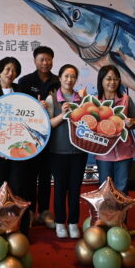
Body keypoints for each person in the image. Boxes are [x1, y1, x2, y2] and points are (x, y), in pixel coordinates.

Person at [0, 56, 33, 236]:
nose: (10, 73)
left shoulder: (22, 91)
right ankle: (1, 228)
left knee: (19, 188)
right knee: (0, 190)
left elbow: (29, 118)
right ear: (0, 71)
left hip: (19, 150)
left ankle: (21, 230)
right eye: (7, 69)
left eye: (14, 70)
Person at [18, 46, 60, 229]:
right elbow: (19, 108)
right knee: (29, 177)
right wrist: (36, 106)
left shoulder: (58, 82)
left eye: (48, 59)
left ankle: (44, 212)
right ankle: (30, 212)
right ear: (35, 61)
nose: (45, 63)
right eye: (42, 59)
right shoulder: (25, 81)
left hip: (51, 136)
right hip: (30, 136)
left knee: (45, 176)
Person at [45, 65, 87, 238]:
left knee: (75, 188)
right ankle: (60, 222)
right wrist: (63, 115)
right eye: (66, 76)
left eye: (73, 76)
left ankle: (73, 222)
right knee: (60, 188)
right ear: (60, 78)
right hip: (58, 151)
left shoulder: (82, 99)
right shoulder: (52, 99)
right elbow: (47, 125)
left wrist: (84, 105)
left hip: (79, 151)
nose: (69, 80)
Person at [94, 65, 135, 195]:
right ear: (101, 80)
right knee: (105, 189)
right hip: (103, 152)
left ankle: (121, 210)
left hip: (124, 151)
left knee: (122, 188)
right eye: (108, 79)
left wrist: (131, 123)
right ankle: (107, 210)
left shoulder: (126, 99)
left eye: (116, 78)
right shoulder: (95, 101)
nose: (112, 82)